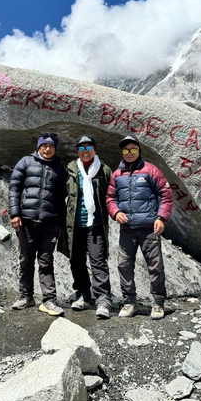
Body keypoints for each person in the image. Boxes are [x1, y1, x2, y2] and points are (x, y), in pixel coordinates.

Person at [106, 135, 173, 320]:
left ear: (138, 151)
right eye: (126, 150)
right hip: (127, 229)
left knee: (155, 266)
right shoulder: (117, 174)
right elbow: (110, 198)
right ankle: (130, 302)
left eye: (133, 149)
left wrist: (161, 217)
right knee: (124, 265)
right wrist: (115, 212)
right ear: (122, 152)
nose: (129, 153)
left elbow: (166, 195)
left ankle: (158, 303)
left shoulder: (150, 170)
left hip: (149, 228)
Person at [8, 132, 66, 316]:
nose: (47, 149)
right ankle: (26, 296)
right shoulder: (25, 162)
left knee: (46, 262)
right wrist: (15, 213)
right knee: (26, 260)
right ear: (39, 147)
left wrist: (60, 225)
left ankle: (49, 300)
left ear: (55, 148)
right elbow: (14, 188)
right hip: (26, 222)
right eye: (44, 146)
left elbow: (62, 198)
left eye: (51, 146)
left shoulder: (59, 169)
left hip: (49, 224)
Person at [64, 135, 113, 319]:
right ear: (78, 151)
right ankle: (83, 294)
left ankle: (103, 299)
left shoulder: (104, 170)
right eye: (81, 148)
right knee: (76, 261)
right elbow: (61, 192)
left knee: (98, 261)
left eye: (89, 147)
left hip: (96, 224)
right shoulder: (71, 168)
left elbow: (112, 195)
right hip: (75, 224)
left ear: (95, 149)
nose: (85, 151)